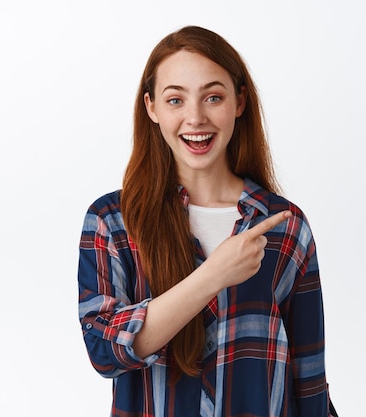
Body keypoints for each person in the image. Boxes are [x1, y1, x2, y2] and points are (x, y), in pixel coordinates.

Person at [78, 25, 336, 417]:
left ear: (239, 102)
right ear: (152, 108)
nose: (195, 118)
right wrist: (214, 274)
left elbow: (309, 375)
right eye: (175, 100)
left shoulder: (284, 226)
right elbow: (105, 351)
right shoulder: (113, 221)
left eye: (213, 97)